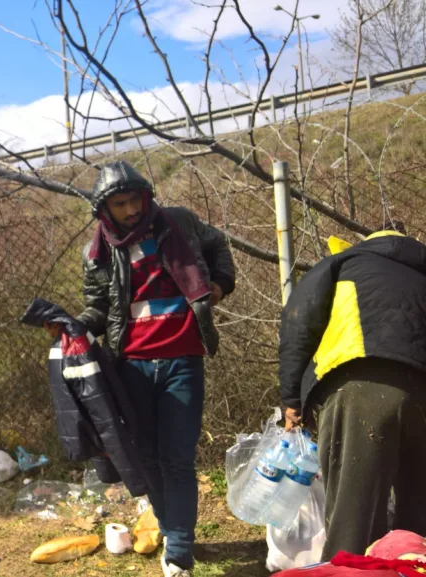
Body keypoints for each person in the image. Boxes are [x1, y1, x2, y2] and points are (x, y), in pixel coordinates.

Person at [47, 161, 236, 577]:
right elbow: (100, 307)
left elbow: (217, 244)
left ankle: (180, 553)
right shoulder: (96, 252)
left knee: (178, 458)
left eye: (135, 200)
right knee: (146, 455)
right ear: (105, 210)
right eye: (121, 204)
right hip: (131, 365)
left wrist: (220, 284)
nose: (131, 210)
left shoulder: (179, 223)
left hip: (183, 358)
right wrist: (72, 326)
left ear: (146, 196)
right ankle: (173, 532)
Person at [278, 222, 426, 560]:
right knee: (418, 522)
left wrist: (292, 401)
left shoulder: (345, 262)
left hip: (361, 384)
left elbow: (298, 324)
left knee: (353, 516)